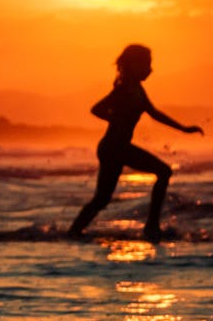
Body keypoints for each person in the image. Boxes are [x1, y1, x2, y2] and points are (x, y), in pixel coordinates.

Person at [68, 44, 203, 242]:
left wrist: (183, 129)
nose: (150, 69)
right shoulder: (123, 89)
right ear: (133, 64)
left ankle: (74, 231)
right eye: (146, 64)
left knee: (103, 199)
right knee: (163, 172)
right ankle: (151, 227)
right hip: (113, 148)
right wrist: (115, 119)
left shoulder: (138, 90)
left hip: (117, 148)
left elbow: (155, 113)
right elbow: (96, 109)